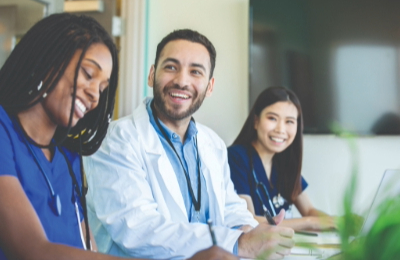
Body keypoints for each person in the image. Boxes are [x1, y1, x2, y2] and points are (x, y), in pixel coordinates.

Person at [0, 13, 235, 260]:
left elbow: (87, 249)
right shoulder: (5, 133)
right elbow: (33, 251)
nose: (94, 94)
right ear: (47, 59)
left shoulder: (66, 158)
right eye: (89, 74)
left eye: (103, 88)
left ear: (210, 86)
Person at [83, 29, 295, 260]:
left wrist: (249, 231)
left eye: (195, 72)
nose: (182, 81)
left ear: (210, 86)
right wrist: (238, 243)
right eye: (171, 67)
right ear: (152, 75)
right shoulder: (116, 139)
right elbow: (137, 230)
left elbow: (229, 207)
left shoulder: (212, 143)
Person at [228, 86, 336, 231]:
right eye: (272, 118)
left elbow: (309, 211)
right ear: (256, 121)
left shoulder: (284, 162)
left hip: (284, 247)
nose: (280, 129)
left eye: (289, 121)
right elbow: (248, 219)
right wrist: (310, 222)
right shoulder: (235, 158)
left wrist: (336, 223)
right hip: (254, 251)